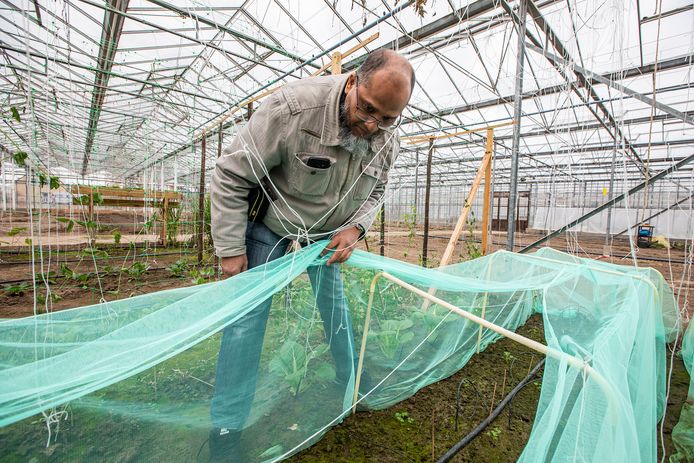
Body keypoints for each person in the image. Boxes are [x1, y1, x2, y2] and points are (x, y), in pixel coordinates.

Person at [209, 49, 415, 461]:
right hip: (271, 226)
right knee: (245, 323)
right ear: (353, 82)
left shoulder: (385, 140)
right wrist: (231, 251)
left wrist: (356, 227)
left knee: (335, 306)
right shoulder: (293, 109)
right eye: (368, 110)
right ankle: (226, 427)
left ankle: (351, 378)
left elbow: (376, 192)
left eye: (387, 119)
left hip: (327, 237)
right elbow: (231, 174)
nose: (373, 125)